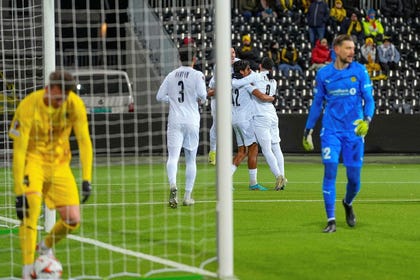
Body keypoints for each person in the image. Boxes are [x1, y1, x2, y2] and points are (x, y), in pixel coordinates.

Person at [9, 70, 93, 279]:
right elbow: (18, 151)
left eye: (64, 98)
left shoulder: (74, 104)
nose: (60, 102)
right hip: (34, 163)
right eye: (57, 97)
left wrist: (86, 178)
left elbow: (84, 141)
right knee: (31, 211)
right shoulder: (28, 106)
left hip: (59, 165)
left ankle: (45, 246)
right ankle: (28, 269)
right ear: (48, 89)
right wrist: (19, 191)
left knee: (73, 220)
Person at [302, 34, 375, 233]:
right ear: (337, 49)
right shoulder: (324, 74)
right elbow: (317, 104)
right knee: (330, 170)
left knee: (354, 180)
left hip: (353, 133)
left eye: (353, 48)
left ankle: (347, 202)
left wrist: (367, 121)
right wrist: (308, 130)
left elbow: (369, 100)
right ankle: (331, 219)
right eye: (348, 48)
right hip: (331, 131)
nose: (352, 52)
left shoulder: (360, 71)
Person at [156, 45, 207, 208]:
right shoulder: (198, 75)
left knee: (173, 157)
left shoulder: (171, 75)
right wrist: (200, 99)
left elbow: (159, 96)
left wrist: (172, 100)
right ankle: (187, 196)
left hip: (175, 120)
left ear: (179, 58)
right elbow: (203, 96)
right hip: (192, 120)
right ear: (194, 59)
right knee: (191, 160)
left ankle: (173, 186)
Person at [232, 57, 287, 190]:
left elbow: (239, 84)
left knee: (266, 149)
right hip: (272, 115)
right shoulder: (273, 81)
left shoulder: (255, 77)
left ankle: (279, 176)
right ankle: (282, 176)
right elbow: (266, 95)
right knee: (276, 147)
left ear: (260, 65)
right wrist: (274, 98)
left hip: (260, 116)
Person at [207, 48, 240, 165]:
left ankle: (228, 153)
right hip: (218, 100)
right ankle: (213, 152)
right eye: (229, 52)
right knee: (217, 127)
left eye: (233, 52)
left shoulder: (239, 63)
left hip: (232, 101)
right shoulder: (219, 66)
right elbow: (216, 87)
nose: (232, 55)